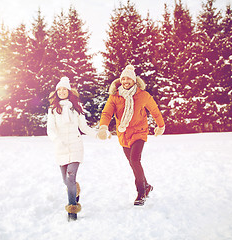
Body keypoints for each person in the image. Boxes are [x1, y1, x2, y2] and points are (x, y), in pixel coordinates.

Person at [97, 65, 165, 206]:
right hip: (123, 134)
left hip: (139, 132)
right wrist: (103, 127)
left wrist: (161, 125)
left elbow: (154, 110)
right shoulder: (115, 96)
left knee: (135, 160)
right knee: (133, 163)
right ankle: (146, 185)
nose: (125, 81)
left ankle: (141, 192)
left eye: (128, 78)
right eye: (123, 78)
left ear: (134, 80)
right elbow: (107, 113)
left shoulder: (143, 95)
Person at [47, 77, 97, 221]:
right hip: (61, 147)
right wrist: (57, 140)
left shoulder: (76, 108)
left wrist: (97, 135)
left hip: (75, 145)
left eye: (64, 89)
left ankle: (72, 210)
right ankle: (75, 190)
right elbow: (50, 129)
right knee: (66, 181)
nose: (62, 92)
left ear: (69, 91)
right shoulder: (52, 110)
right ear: (57, 92)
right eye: (59, 90)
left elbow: (84, 127)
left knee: (70, 177)